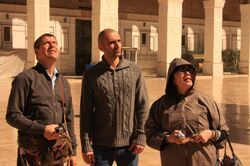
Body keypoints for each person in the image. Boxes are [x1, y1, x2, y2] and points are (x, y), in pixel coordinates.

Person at [80, 28, 149, 166]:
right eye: (112, 42)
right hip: (100, 147)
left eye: (119, 41)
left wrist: (141, 135)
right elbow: (86, 112)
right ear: (101, 47)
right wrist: (86, 144)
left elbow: (142, 105)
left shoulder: (135, 70)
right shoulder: (91, 74)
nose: (117, 45)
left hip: (130, 147)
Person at [6, 33, 77, 166]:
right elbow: (12, 116)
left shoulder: (63, 83)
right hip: (31, 156)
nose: (52, 45)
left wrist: (73, 151)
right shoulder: (25, 79)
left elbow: (69, 119)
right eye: (47, 43)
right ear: (37, 51)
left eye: (54, 42)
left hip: (57, 155)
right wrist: (42, 129)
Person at [145, 58, 229, 166]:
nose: (188, 73)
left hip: (205, 162)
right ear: (172, 79)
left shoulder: (207, 101)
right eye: (182, 70)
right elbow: (150, 134)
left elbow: (224, 133)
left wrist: (210, 134)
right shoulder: (160, 105)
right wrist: (168, 138)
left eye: (190, 70)